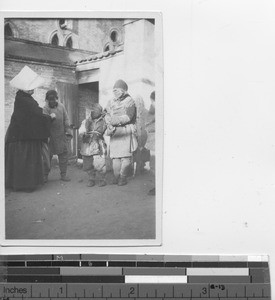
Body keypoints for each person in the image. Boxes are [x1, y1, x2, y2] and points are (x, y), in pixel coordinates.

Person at [5, 66, 52, 192]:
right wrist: (49, 118)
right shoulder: (25, 100)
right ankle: (25, 185)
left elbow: (34, 114)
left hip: (20, 134)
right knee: (25, 160)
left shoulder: (22, 98)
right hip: (24, 137)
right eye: (31, 87)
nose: (33, 90)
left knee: (20, 161)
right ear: (25, 88)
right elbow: (36, 116)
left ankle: (18, 183)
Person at [105, 79, 138, 186]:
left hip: (125, 131)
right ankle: (116, 177)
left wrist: (116, 120)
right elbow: (106, 114)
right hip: (115, 132)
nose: (115, 92)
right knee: (115, 157)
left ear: (124, 90)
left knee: (125, 157)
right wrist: (109, 122)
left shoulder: (130, 101)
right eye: (114, 90)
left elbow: (129, 116)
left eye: (118, 90)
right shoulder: (111, 101)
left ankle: (123, 177)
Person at [43, 90, 72, 182]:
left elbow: (66, 119)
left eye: (54, 100)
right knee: (47, 157)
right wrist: (49, 118)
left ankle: (63, 175)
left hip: (61, 135)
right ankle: (44, 176)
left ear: (57, 99)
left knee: (63, 155)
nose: (52, 102)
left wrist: (68, 131)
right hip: (50, 137)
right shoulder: (45, 108)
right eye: (50, 100)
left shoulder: (61, 106)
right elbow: (43, 123)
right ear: (47, 100)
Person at [79, 103, 107, 187]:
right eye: (92, 110)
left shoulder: (104, 121)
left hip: (98, 144)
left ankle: (102, 179)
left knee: (99, 163)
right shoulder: (86, 121)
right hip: (87, 145)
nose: (93, 112)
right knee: (87, 163)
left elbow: (107, 132)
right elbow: (81, 130)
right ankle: (91, 179)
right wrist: (83, 134)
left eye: (96, 110)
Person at [145, 91, 156, 195]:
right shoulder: (152, 110)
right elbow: (147, 124)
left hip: (157, 141)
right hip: (154, 141)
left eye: (152, 101)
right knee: (153, 165)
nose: (151, 103)